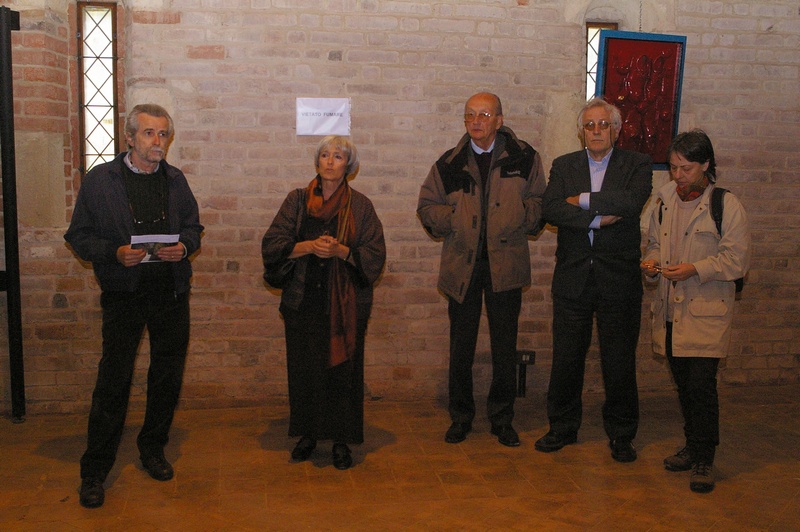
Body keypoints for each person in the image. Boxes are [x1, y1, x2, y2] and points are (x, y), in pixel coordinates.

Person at [65, 104, 203, 508]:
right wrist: (113, 253)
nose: (157, 142)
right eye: (148, 134)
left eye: (163, 134)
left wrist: (185, 246)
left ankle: (152, 448)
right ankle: (94, 470)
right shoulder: (101, 180)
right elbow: (78, 235)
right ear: (129, 137)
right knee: (114, 381)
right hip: (125, 293)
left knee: (166, 376)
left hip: (170, 292)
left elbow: (194, 227)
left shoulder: (176, 180)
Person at [417, 92, 546, 447]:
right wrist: (455, 218)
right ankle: (461, 416)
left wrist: (521, 215)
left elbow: (539, 200)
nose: (476, 121)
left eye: (484, 114)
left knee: (505, 346)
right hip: (463, 266)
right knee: (461, 347)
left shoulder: (524, 158)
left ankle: (502, 418)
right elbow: (427, 206)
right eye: (470, 115)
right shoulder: (450, 163)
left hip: (506, 266)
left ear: (499, 120)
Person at [535, 97, 652, 462]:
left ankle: (621, 434)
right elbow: (551, 208)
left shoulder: (637, 164)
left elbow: (631, 202)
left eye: (604, 125)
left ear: (617, 130)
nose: (597, 131)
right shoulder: (564, 164)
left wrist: (581, 199)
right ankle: (562, 427)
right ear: (581, 131)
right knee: (567, 358)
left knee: (618, 360)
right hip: (573, 278)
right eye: (590, 125)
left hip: (619, 279)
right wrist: (598, 218)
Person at [262, 135, 386, 470]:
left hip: (345, 306)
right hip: (304, 300)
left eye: (339, 156)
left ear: (350, 165)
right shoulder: (297, 201)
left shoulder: (361, 206)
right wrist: (308, 246)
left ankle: (342, 440)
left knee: (342, 372)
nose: (331, 161)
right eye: (325, 155)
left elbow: (375, 256)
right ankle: (308, 434)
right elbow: (273, 243)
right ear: (317, 162)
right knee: (305, 371)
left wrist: (341, 251)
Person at [641, 130, 750, 493]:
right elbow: (654, 240)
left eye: (685, 168)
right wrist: (652, 260)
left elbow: (737, 261)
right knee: (684, 385)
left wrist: (695, 269)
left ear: (705, 165)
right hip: (670, 312)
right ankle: (692, 445)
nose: (677, 175)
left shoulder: (725, 204)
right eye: (672, 167)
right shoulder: (664, 198)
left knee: (702, 387)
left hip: (705, 311)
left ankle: (705, 458)